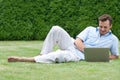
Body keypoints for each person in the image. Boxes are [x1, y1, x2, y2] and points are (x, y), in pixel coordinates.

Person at [8, 14, 119, 63]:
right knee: (56, 29)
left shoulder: (113, 39)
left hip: (77, 56)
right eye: (100, 26)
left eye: (105, 27)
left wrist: (101, 57)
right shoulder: (90, 29)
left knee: (59, 56)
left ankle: (25, 59)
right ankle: (42, 55)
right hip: (72, 44)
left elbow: (115, 56)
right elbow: (78, 41)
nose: (102, 29)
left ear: (110, 26)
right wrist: (89, 52)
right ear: (98, 24)